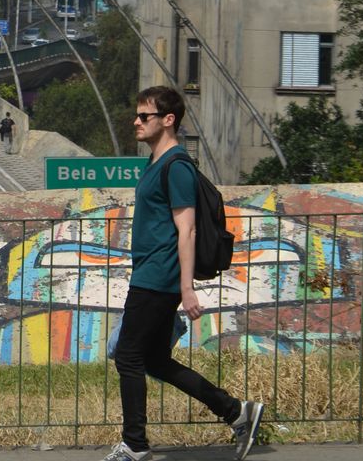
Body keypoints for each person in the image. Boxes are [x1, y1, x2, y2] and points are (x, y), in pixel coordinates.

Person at [101, 86, 262, 461]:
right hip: (151, 272)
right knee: (154, 360)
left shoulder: (176, 167)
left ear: (168, 119)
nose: (136, 122)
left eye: (145, 116)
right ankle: (237, 412)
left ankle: (135, 445)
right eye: (137, 115)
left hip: (159, 277)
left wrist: (186, 288)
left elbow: (186, 229)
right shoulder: (156, 163)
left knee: (127, 356)